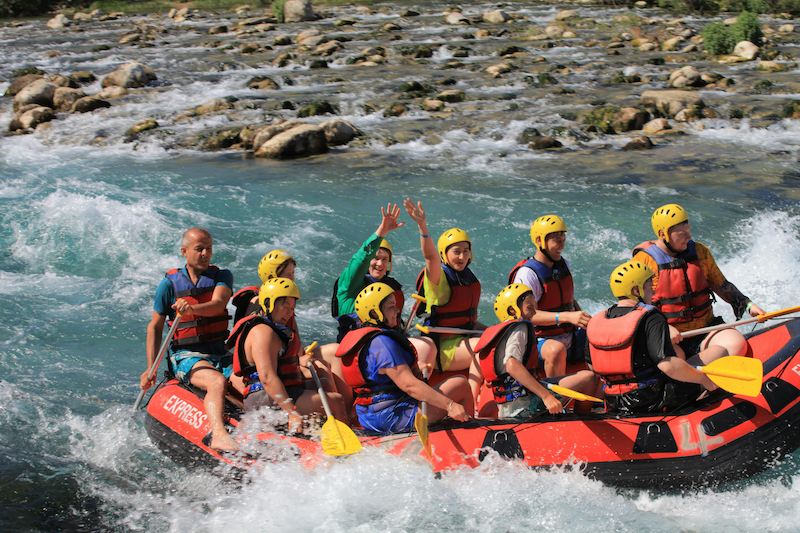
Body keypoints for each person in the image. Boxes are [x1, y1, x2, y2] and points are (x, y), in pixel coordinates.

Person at [140, 227, 237, 451]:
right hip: (186, 355)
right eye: (199, 249)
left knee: (249, 383)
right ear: (184, 251)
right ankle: (218, 434)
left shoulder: (222, 276)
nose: (205, 253)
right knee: (217, 383)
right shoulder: (169, 285)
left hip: (219, 352)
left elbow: (218, 304)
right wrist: (150, 368)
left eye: (209, 249)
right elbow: (155, 326)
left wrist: (192, 309)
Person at [586, 260, 725, 413]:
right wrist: (704, 379)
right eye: (649, 286)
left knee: (678, 354)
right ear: (636, 290)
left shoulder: (597, 320)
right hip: (651, 400)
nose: (653, 291)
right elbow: (667, 365)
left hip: (613, 401)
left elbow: (593, 366)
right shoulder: (650, 317)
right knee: (719, 351)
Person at [632, 203, 765, 360]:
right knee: (673, 358)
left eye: (688, 231)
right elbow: (636, 307)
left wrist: (748, 305)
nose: (688, 238)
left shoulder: (700, 252)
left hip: (705, 329)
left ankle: (694, 374)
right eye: (682, 234)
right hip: (668, 335)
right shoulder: (645, 261)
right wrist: (663, 327)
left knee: (736, 343)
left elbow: (722, 284)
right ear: (663, 234)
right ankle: (695, 375)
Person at [336, 282, 471, 435]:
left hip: (369, 418)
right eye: (391, 307)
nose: (397, 310)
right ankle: (472, 433)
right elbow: (409, 386)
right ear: (375, 313)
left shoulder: (370, 341)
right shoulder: (382, 343)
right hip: (392, 418)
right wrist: (450, 405)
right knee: (460, 383)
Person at [229, 249, 352, 413]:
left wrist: (301, 357)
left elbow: (294, 343)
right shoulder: (262, 311)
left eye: (292, 274)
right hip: (264, 374)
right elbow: (265, 365)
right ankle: (333, 415)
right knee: (321, 370)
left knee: (333, 355)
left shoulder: (284, 304)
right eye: (288, 275)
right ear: (273, 278)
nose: (292, 279)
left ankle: (349, 414)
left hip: (286, 362)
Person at [403, 198, 484, 402]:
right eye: (456, 252)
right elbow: (430, 257)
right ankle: (473, 402)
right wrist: (423, 226)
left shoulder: (467, 277)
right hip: (443, 350)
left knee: (496, 336)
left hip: (461, 339)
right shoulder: (439, 279)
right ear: (444, 254)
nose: (462, 257)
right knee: (481, 348)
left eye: (465, 251)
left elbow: (469, 321)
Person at [477, 284, 598, 418]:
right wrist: (546, 396)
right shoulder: (520, 328)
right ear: (512, 311)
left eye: (535, 305)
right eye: (530, 307)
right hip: (524, 408)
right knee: (589, 378)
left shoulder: (501, 332)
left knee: (584, 378)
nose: (535, 311)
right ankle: (581, 420)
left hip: (513, 404)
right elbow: (511, 364)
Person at [509, 215, 592, 377]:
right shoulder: (527, 274)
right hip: (538, 340)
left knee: (601, 333)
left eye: (563, 237)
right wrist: (566, 317)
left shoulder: (563, 264)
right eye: (556, 239)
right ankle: (554, 395)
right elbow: (526, 314)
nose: (561, 243)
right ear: (540, 241)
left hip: (569, 334)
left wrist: (585, 321)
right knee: (556, 350)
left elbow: (568, 301)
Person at [331, 203, 405, 342]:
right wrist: (382, 231)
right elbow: (361, 259)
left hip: (386, 343)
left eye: (385, 259)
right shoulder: (349, 285)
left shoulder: (390, 289)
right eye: (376, 258)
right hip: (357, 349)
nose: (380, 264)